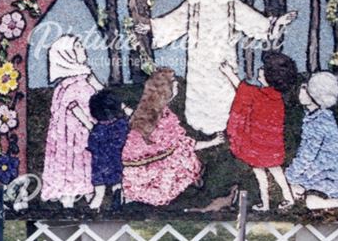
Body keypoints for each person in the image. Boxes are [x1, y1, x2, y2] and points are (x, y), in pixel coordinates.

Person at [137, 0, 297, 136]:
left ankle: (227, 126)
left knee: (224, 90)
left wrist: (277, 23)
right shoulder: (194, 1)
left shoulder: (230, 2)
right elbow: (174, 22)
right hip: (199, 56)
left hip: (223, 54)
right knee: (201, 89)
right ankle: (200, 125)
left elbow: (255, 23)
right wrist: (152, 27)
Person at [120, 68, 222, 206]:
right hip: (151, 174)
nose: (176, 86)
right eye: (173, 84)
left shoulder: (147, 109)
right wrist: (213, 142)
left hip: (135, 171)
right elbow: (185, 145)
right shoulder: (164, 119)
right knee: (183, 157)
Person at [220, 52, 298, 211]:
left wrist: (228, 73)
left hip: (257, 145)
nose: (260, 70)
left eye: (264, 68)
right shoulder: (277, 98)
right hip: (272, 146)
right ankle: (288, 198)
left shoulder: (260, 95)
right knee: (277, 172)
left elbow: (242, 88)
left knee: (261, 175)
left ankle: (266, 204)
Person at [285, 71, 338, 212]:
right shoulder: (314, 117)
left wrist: (291, 177)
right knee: (295, 191)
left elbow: (308, 154)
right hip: (324, 174)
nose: (300, 94)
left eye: (305, 90)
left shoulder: (321, 121)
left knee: (307, 201)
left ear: (316, 95)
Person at [41, 35, 101, 208]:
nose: (83, 48)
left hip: (84, 135)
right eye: (78, 46)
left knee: (85, 162)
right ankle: (68, 198)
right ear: (67, 54)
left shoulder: (84, 77)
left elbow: (102, 95)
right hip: (73, 137)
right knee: (72, 162)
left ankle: (87, 194)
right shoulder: (71, 84)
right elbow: (74, 107)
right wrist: (91, 126)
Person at [86, 89, 131, 210]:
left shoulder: (97, 129)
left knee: (99, 190)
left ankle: (95, 205)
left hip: (100, 165)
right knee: (117, 183)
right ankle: (117, 198)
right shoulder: (122, 124)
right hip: (117, 160)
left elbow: (92, 145)